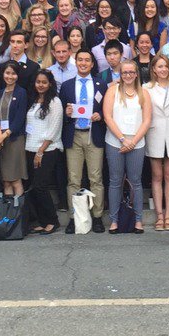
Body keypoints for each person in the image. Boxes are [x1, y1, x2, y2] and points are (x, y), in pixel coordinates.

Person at [59, 49, 106, 234]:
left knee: (96, 178)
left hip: (93, 134)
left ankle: (97, 217)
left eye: (87, 60)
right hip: (75, 135)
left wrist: (99, 115)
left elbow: (107, 109)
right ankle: (73, 217)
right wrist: (67, 113)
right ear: (76, 62)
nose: (84, 63)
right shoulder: (67, 86)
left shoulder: (101, 84)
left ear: (92, 64)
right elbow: (61, 111)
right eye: (80, 60)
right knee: (73, 180)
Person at [103, 58, 151, 234]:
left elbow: (147, 120)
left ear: (136, 74)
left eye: (131, 72)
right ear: (120, 74)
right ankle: (114, 221)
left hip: (137, 143)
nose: (128, 75)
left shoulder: (143, 93)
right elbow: (108, 117)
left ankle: (138, 220)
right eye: (125, 72)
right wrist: (123, 140)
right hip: (115, 142)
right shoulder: (112, 91)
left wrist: (133, 142)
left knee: (135, 182)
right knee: (115, 182)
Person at [141, 53, 169, 231]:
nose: (163, 69)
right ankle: (159, 215)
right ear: (154, 70)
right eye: (159, 67)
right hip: (154, 132)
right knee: (156, 176)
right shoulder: (146, 88)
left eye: (166, 66)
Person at [23, 69, 65, 234]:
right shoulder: (33, 100)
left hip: (47, 149)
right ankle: (42, 220)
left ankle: (52, 221)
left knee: (41, 186)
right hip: (30, 148)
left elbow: (54, 129)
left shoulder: (55, 102)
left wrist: (41, 151)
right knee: (33, 187)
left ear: (50, 84)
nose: (40, 85)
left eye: (44, 82)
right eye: (38, 82)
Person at [0, 60, 30, 196]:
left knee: (15, 180)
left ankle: (18, 214)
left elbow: (19, 119)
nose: (10, 76)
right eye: (7, 73)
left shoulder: (21, 93)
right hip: (0, 141)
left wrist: (3, 135)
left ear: (17, 75)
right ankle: (8, 213)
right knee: (6, 181)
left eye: (13, 74)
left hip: (14, 139)